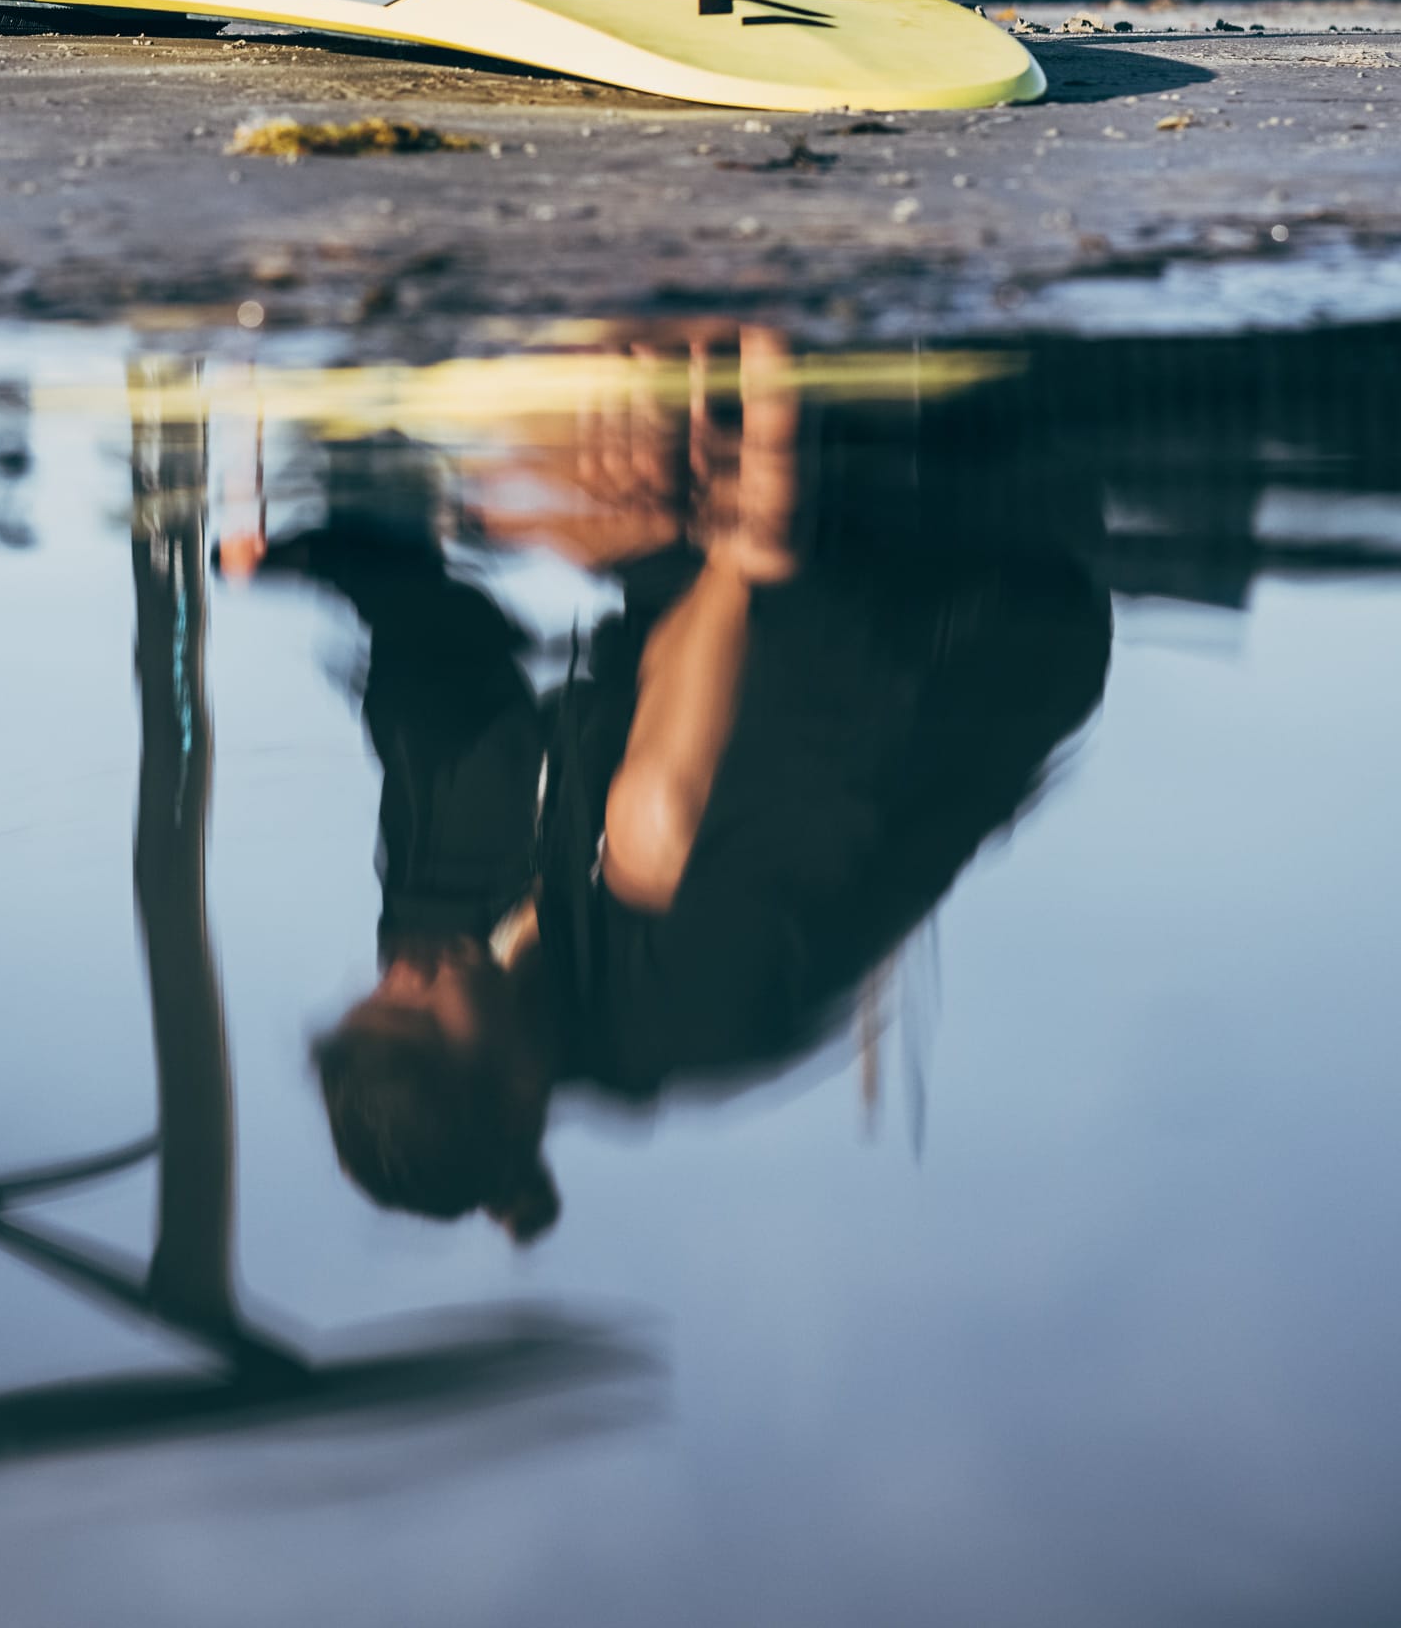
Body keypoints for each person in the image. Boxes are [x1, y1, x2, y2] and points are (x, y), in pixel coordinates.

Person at [289, 333, 1112, 1238]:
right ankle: (755, 391)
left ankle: (716, 404)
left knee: (509, 440)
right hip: (982, 618)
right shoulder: (698, 1004)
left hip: (767, 583)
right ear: (517, 1087)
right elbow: (830, 696)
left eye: (373, 1002)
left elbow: (438, 678)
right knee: (645, 832)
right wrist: (673, 524)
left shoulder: (437, 941)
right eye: (420, 1015)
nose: (403, 975)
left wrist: (310, 553)